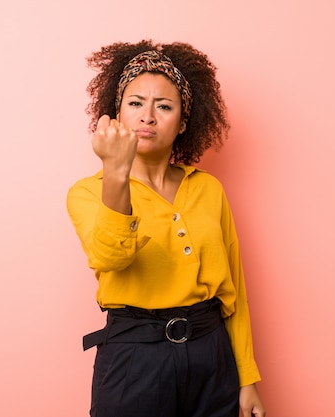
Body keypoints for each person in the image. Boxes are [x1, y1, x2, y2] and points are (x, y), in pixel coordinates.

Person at [67, 39, 266, 417]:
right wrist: (116, 172)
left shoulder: (208, 188)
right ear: (116, 116)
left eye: (164, 106)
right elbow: (111, 256)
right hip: (134, 357)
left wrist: (246, 377)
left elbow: (233, 287)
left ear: (184, 122)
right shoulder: (88, 192)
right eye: (136, 104)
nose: (148, 117)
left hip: (212, 354)